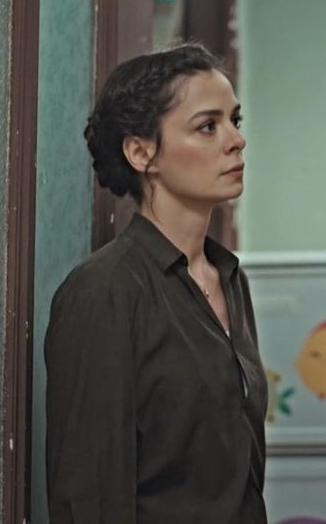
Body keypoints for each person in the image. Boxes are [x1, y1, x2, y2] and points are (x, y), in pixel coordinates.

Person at [45, 44, 267, 523]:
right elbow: (88, 495)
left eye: (234, 120)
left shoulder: (229, 279)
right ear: (142, 152)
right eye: (207, 126)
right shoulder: (105, 291)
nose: (236, 140)